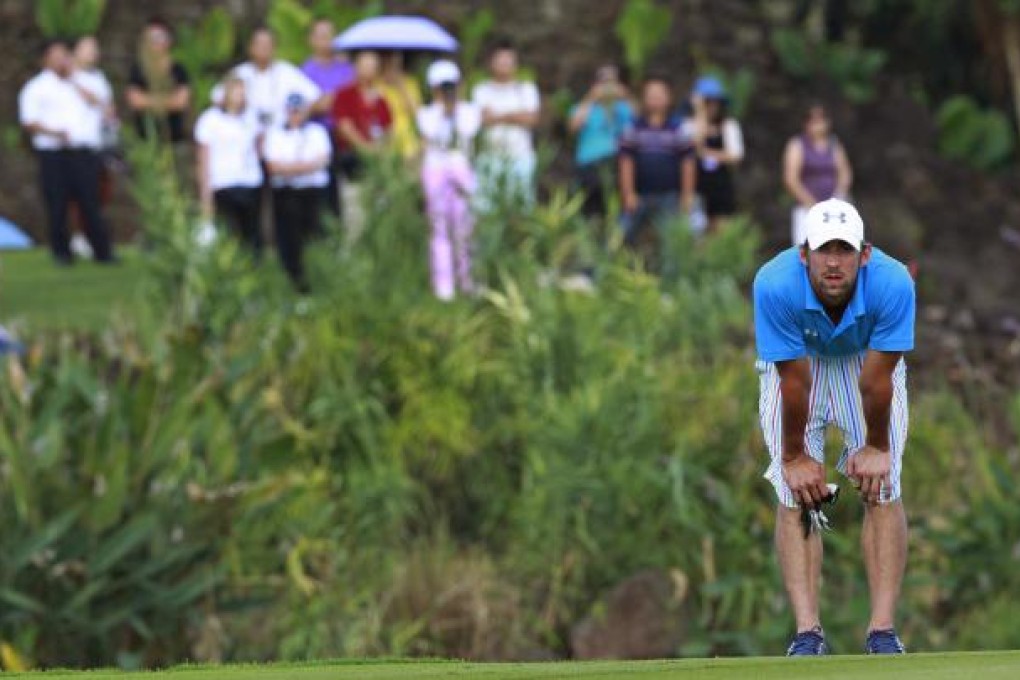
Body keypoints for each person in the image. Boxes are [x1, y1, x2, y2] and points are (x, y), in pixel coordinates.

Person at [752, 198, 915, 657]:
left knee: (883, 486)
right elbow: (794, 381)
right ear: (804, 253)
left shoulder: (892, 283)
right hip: (799, 365)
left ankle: (882, 632)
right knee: (794, 491)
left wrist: (879, 447)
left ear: (865, 255)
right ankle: (808, 634)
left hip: (867, 362)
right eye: (824, 250)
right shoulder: (774, 284)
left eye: (845, 250)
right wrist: (793, 457)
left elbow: (877, 380)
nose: (834, 262)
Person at [18, 38, 115, 265]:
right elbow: (29, 122)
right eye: (56, 55)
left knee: (90, 201)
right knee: (57, 203)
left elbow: (104, 107)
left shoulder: (85, 82)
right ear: (46, 59)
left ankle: (102, 251)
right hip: (53, 154)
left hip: (83, 152)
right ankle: (62, 253)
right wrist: (56, 133)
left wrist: (74, 81)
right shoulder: (36, 88)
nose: (62, 59)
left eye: (65, 54)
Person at [417, 60, 482, 301]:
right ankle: (444, 285)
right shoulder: (426, 113)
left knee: (465, 226)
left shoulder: (469, 111)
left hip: (460, 166)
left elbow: (467, 131)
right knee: (439, 226)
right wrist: (444, 110)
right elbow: (431, 134)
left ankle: (468, 279)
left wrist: (453, 109)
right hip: (435, 168)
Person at [264, 93, 332, 292]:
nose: (295, 115)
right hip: (287, 194)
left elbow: (322, 160)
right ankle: (295, 287)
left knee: (316, 237)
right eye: (292, 110)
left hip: (313, 193)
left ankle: (318, 283)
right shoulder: (275, 134)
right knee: (290, 242)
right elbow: (273, 166)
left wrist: (291, 168)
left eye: (299, 110)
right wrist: (305, 167)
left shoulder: (317, 132)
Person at [617, 76, 695, 248]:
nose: (655, 98)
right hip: (640, 194)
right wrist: (628, 193)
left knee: (672, 239)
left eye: (660, 94)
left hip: (670, 195)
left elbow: (688, 163)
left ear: (669, 98)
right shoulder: (634, 127)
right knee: (621, 233)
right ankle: (606, 269)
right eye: (651, 94)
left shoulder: (678, 128)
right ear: (644, 98)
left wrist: (687, 195)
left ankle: (672, 273)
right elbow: (626, 162)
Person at [194, 76, 264, 256]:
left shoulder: (250, 118)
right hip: (223, 184)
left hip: (249, 183)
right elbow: (204, 159)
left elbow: (258, 147)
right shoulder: (210, 120)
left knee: (252, 235)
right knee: (228, 233)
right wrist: (205, 195)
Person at [471, 39, 540, 207]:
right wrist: (515, 115)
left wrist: (498, 116)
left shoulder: (526, 89)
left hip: (520, 155)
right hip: (490, 157)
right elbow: (482, 120)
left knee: (520, 205)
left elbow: (531, 119)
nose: (504, 65)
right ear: (491, 63)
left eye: (508, 61)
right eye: (500, 61)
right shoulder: (481, 90)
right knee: (487, 205)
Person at [331, 50, 391, 233]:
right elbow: (344, 127)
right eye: (365, 66)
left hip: (376, 167)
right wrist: (367, 149)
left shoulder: (380, 99)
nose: (369, 71)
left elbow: (388, 130)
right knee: (355, 219)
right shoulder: (345, 94)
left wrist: (379, 150)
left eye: (373, 67)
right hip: (353, 164)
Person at [301, 16, 356, 216]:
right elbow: (308, 107)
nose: (327, 41)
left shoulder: (347, 68)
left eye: (330, 36)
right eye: (321, 36)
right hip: (321, 136)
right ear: (311, 40)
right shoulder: (305, 71)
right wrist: (331, 100)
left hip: (347, 137)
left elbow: (352, 99)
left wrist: (330, 100)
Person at [225, 27, 323, 137]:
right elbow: (218, 98)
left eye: (268, 44)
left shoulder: (288, 72)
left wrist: (298, 118)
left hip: (281, 138)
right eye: (260, 44)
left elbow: (316, 97)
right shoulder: (239, 73)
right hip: (246, 137)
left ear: (275, 48)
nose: (264, 48)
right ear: (250, 48)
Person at [70, 34, 117, 259]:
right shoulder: (67, 77)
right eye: (88, 48)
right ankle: (79, 237)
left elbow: (108, 109)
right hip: (72, 145)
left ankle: (89, 236)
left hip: (98, 143)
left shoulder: (99, 77)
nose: (93, 52)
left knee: (100, 193)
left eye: (95, 48)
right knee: (78, 195)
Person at [568, 64, 633, 220]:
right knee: (588, 210)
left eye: (612, 82)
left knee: (613, 209)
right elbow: (573, 127)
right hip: (588, 166)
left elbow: (638, 122)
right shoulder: (584, 107)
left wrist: (626, 96)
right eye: (604, 82)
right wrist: (590, 98)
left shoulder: (623, 108)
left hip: (615, 165)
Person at [784, 103, 853, 246]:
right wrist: (812, 205)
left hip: (835, 209)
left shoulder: (834, 144)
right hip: (806, 207)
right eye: (814, 121)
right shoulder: (797, 145)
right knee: (806, 248)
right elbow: (791, 179)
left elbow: (844, 173)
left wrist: (838, 197)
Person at [687, 76, 744, 233]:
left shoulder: (729, 126)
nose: (712, 107)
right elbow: (695, 143)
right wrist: (700, 113)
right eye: (707, 102)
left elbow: (736, 156)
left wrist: (707, 153)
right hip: (696, 188)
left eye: (715, 102)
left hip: (720, 188)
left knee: (721, 230)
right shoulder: (689, 125)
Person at [126, 17, 191, 145]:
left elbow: (181, 102)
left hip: (173, 141)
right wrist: (167, 101)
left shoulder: (178, 70)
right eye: (150, 38)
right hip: (145, 141)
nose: (154, 42)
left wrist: (148, 101)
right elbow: (135, 100)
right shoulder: (138, 69)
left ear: (168, 40)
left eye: (158, 37)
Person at [380, 51, 423, 160]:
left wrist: (400, 86)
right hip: (384, 137)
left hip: (407, 140)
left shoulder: (410, 83)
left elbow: (417, 113)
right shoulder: (376, 84)